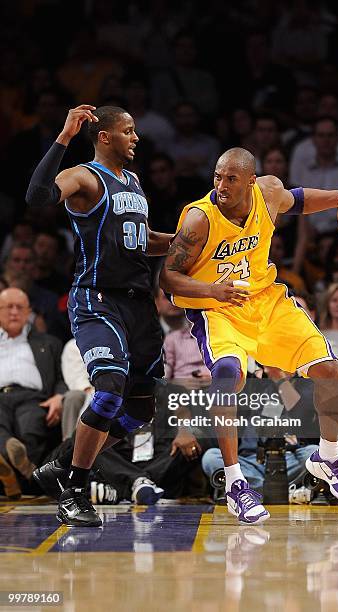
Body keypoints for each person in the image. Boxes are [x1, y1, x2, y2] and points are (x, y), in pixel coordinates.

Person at [160, 146, 338, 524]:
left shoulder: (269, 193)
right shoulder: (200, 219)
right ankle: (235, 484)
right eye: (217, 177)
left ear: (251, 181)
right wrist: (212, 290)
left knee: (328, 369)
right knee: (227, 376)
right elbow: (168, 277)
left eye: (230, 179)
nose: (221, 186)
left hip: (266, 300)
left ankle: (327, 457)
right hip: (219, 307)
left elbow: (301, 201)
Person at [26, 105, 172, 526]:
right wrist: (64, 136)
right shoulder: (86, 176)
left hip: (138, 302)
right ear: (105, 136)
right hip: (97, 298)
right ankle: (74, 490)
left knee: (140, 409)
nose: (136, 138)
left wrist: (186, 242)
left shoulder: (134, 182)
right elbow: (37, 197)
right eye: (128, 131)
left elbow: (142, 242)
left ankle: (62, 463)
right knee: (108, 390)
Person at [0, 288, 67, 498]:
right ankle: (26, 475)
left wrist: (59, 396)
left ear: (29, 311)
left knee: (30, 429)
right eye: (8, 307)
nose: (14, 312)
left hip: (33, 398)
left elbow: (62, 378)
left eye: (19, 307)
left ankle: (10, 473)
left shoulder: (48, 343)